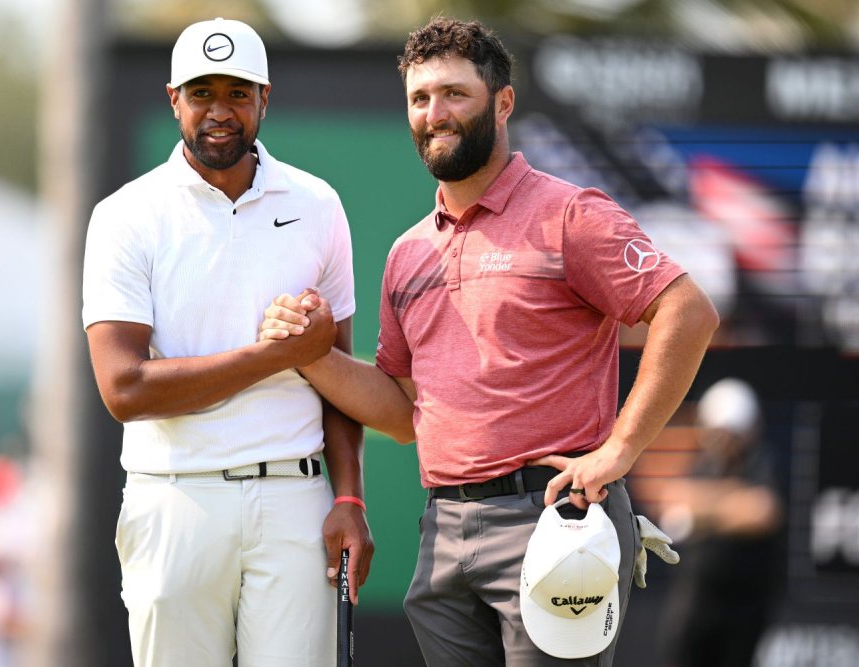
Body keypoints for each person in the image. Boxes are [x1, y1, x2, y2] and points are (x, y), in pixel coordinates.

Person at [258, 17, 718, 667]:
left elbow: (688, 310)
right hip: (445, 532)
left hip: (556, 518)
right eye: (420, 98)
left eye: (454, 94)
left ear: (503, 103)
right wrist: (310, 356)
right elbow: (400, 409)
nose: (434, 113)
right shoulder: (408, 252)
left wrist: (620, 448)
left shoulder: (569, 215)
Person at [81, 18, 373, 667]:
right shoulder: (126, 216)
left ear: (265, 98)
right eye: (202, 92)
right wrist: (272, 357)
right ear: (173, 99)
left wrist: (349, 496)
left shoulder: (318, 205)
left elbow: (342, 378)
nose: (220, 111)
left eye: (238, 93)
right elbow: (124, 388)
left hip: (294, 497)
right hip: (173, 495)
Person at [657, 378, 782, 667]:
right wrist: (731, 505)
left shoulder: (762, 462)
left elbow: (761, 512)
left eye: (730, 433)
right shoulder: (703, 465)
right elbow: (673, 503)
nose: (722, 441)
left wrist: (703, 514)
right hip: (695, 599)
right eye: (716, 432)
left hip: (745, 605)